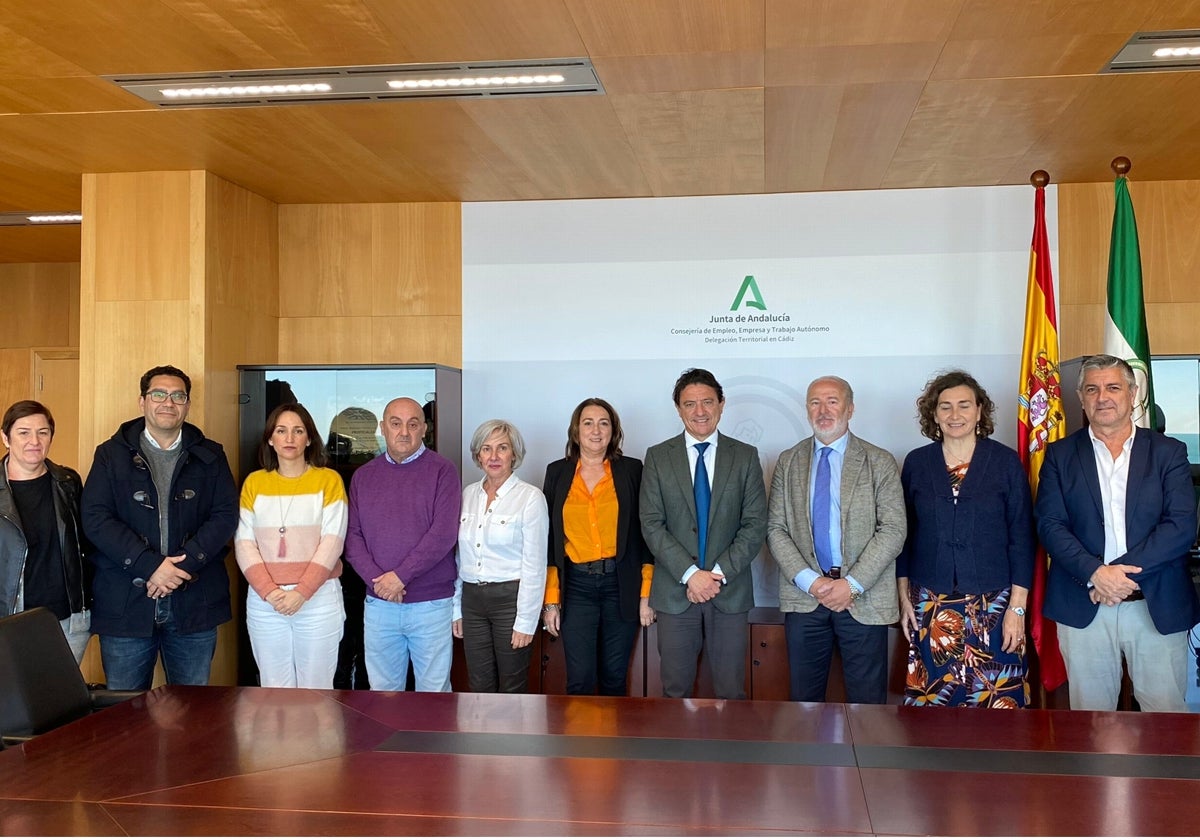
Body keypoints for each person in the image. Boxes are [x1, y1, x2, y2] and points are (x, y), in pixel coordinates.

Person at [1037, 354, 1200, 711]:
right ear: (1081, 398)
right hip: (1084, 602)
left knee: (1165, 717)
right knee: (1091, 720)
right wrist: (1097, 574)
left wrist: (1117, 576)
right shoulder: (1060, 455)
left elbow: (1181, 527)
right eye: (1092, 389)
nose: (1103, 397)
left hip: (1155, 604)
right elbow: (1050, 524)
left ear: (1133, 393)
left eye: (1113, 387)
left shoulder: (1168, 453)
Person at [82, 365, 238, 690]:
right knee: (124, 715)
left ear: (187, 404)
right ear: (142, 402)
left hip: (194, 600)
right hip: (125, 601)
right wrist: (150, 565)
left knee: (192, 711)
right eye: (159, 394)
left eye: (178, 395)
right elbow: (96, 518)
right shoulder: (110, 455)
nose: (169, 402)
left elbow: (225, 516)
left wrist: (180, 568)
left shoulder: (212, 455)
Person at [896, 371, 1034, 707]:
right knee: (936, 709)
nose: (954, 415)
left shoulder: (1005, 462)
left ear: (979, 411)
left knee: (996, 704)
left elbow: (1022, 537)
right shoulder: (917, 462)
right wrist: (904, 599)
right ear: (934, 414)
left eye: (963, 406)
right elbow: (905, 535)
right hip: (931, 604)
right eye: (945, 407)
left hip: (995, 604)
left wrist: (1017, 608)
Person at [767, 375, 904, 703]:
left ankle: (867, 758)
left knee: (868, 707)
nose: (823, 410)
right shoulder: (788, 461)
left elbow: (893, 529)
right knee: (804, 703)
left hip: (863, 600)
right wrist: (811, 582)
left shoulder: (878, 461)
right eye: (815, 402)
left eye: (832, 401)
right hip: (806, 600)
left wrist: (851, 585)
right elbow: (776, 529)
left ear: (850, 409)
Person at [640, 368, 767, 700]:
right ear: (678, 409)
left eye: (708, 402)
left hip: (730, 593)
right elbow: (651, 523)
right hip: (675, 594)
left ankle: (732, 754)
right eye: (690, 404)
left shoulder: (745, 456)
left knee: (731, 691)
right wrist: (691, 575)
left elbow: (754, 524)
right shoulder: (657, 457)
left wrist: (716, 575)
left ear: (722, 405)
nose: (700, 411)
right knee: (675, 691)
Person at [345, 397, 460, 692]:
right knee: (383, 694)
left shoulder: (443, 472)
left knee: (434, 695)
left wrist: (399, 577)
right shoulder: (363, 476)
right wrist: (380, 583)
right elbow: (352, 537)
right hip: (380, 604)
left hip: (430, 604)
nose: (404, 432)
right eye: (395, 424)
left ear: (424, 429)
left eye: (412, 424)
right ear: (383, 428)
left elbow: (443, 534)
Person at [542, 398, 654, 696]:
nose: (596, 430)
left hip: (621, 585)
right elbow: (550, 541)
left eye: (604, 423)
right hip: (576, 586)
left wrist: (646, 594)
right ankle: (583, 744)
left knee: (614, 678)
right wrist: (551, 600)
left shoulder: (632, 470)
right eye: (588, 423)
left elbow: (645, 535)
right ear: (576, 431)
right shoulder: (557, 472)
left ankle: (613, 744)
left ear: (613, 430)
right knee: (579, 679)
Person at [235, 403, 348, 688]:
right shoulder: (254, 483)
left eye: (298, 431)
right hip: (265, 602)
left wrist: (302, 592)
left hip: (318, 598)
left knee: (317, 689)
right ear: (270, 439)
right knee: (274, 690)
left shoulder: (328, 480)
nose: (289, 438)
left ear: (309, 438)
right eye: (281, 431)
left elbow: (332, 543)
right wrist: (271, 593)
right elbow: (244, 543)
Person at [454, 419, 548, 693]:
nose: (493, 456)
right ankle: (482, 738)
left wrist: (526, 622)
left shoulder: (530, 498)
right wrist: (456, 609)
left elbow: (535, 565)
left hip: (511, 602)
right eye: (486, 449)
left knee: (512, 688)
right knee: (479, 686)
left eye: (502, 448)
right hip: (472, 602)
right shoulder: (467, 495)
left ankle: (512, 738)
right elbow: (460, 558)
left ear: (514, 454)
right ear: (477, 455)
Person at [0, 400, 92, 663]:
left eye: (43, 432)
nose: (34, 441)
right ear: (6, 438)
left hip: (68, 620)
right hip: (10, 620)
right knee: (14, 702)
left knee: (62, 701)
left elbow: (85, 545)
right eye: (24, 432)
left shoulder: (68, 482)